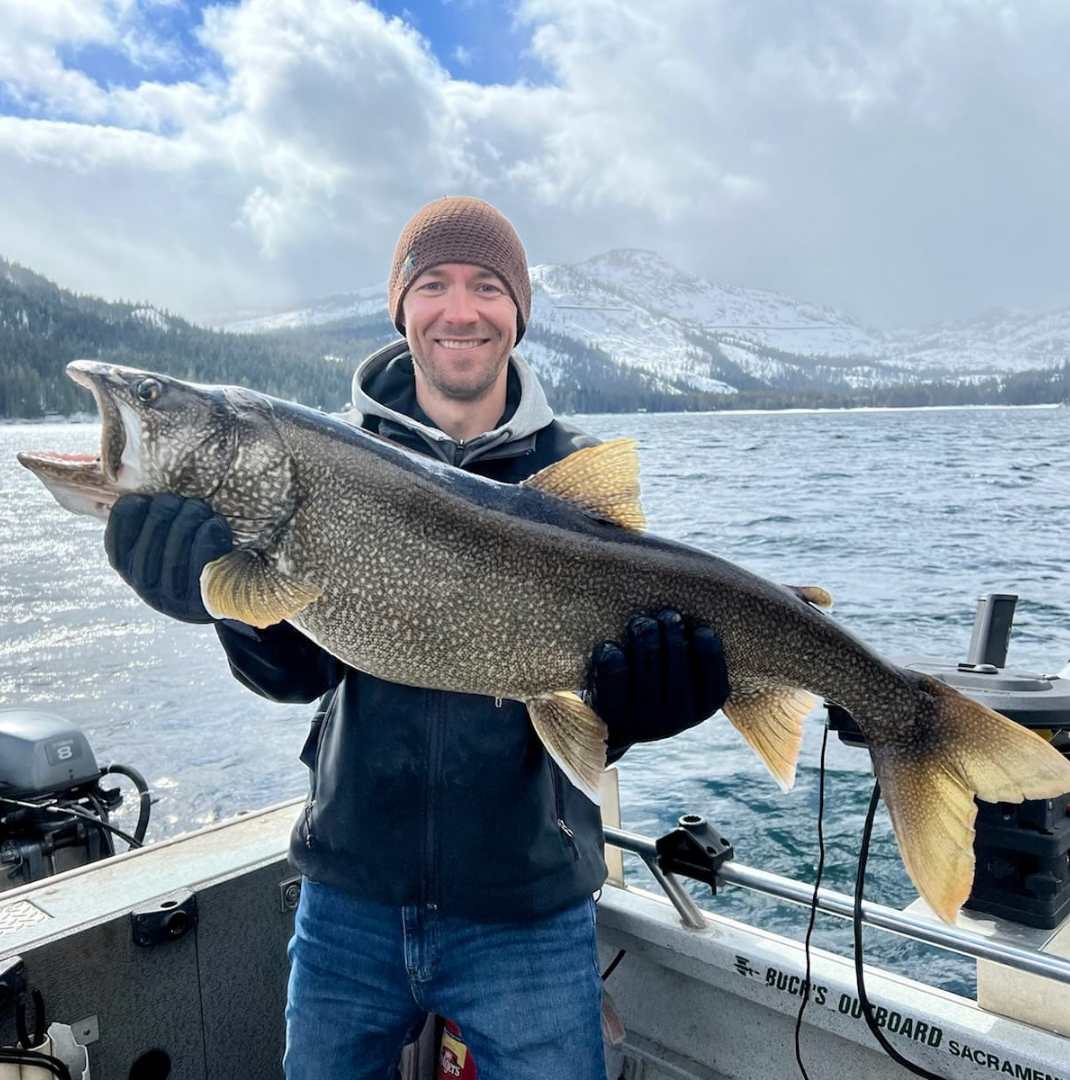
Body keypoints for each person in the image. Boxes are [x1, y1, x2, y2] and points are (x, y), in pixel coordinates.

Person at [103, 196, 729, 1079]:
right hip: (350, 891)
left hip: (529, 907)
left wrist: (641, 706)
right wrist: (223, 604)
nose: (460, 310)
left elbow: (592, 695)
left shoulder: (575, 483)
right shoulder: (318, 460)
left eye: (486, 286)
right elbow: (298, 671)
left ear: (518, 311)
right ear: (402, 307)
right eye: (433, 284)